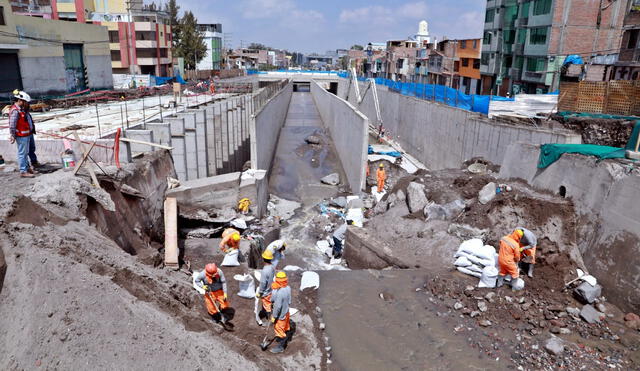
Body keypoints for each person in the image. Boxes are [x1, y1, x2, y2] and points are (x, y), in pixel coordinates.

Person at [8, 90, 38, 178]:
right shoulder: (15, 111)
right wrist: (12, 135)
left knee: (26, 152)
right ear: (20, 100)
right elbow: (12, 125)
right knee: (22, 153)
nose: (27, 104)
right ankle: (23, 171)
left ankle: (27, 168)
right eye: (25, 102)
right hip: (21, 136)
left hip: (27, 134)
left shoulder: (22, 109)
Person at [269, 271, 292, 354]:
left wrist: (274, 316)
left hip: (281, 316)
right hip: (286, 313)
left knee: (279, 330)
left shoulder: (280, 293)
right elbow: (289, 301)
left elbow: (277, 307)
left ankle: (281, 347)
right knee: (286, 327)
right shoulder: (288, 288)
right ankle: (286, 336)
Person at [255, 249, 275, 325]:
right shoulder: (272, 267)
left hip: (266, 291)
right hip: (271, 288)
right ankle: (265, 312)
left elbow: (263, 283)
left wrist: (260, 293)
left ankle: (270, 318)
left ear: (263, 259)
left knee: (267, 305)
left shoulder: (264, 270)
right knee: (268, 303)